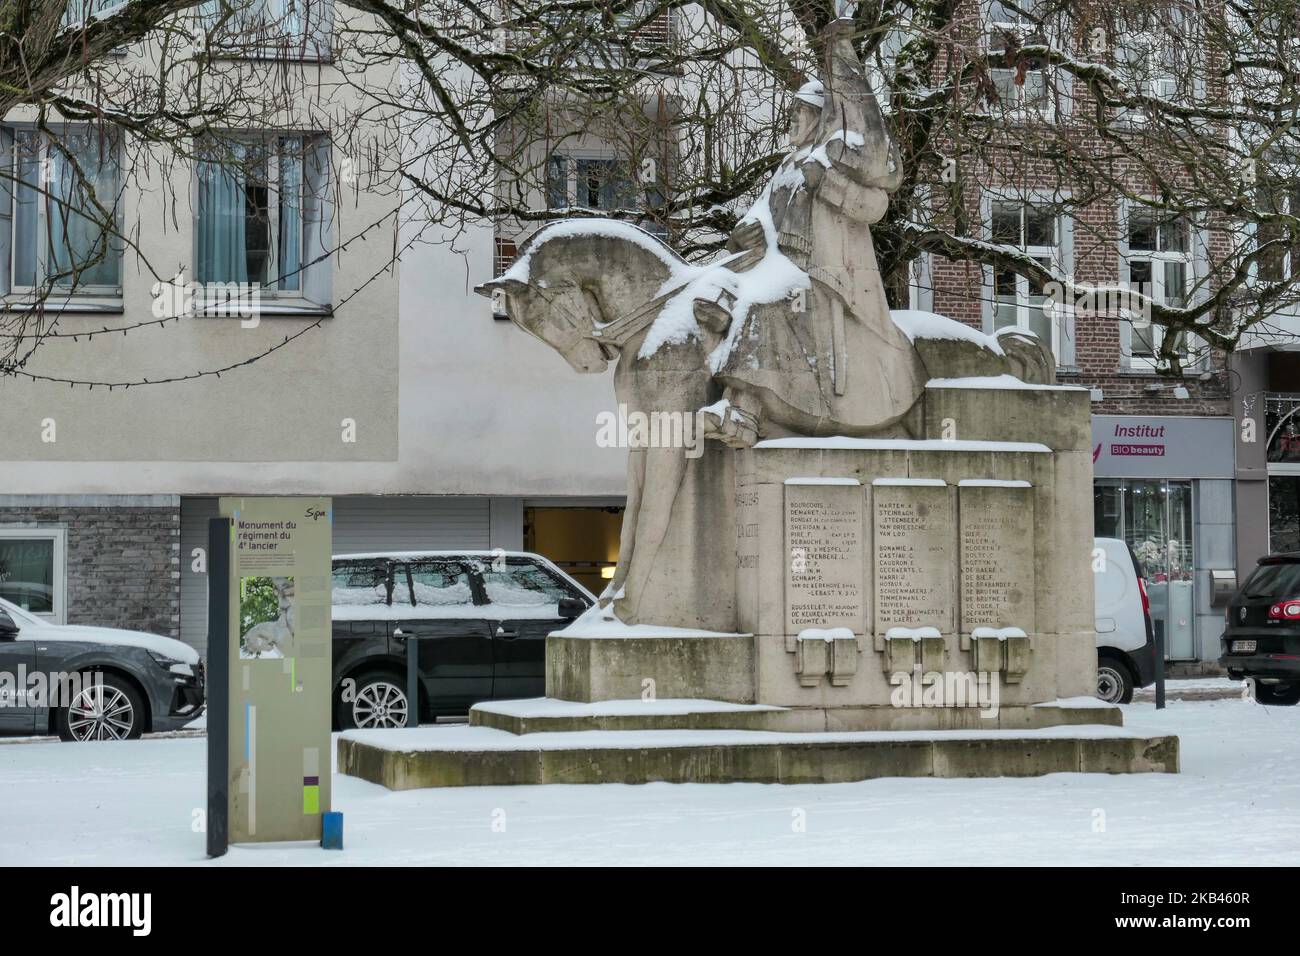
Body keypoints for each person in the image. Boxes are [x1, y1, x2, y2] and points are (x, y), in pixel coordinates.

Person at [705, 18, 925, 446]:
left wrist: (826, 183)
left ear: (819, 116)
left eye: (798, 112)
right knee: (719, 297)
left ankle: (743, 411)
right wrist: (741, 236)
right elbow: (760, 217)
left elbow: (876, 206)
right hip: (777, 267)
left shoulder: (831, 159)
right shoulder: (784, 168)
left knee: (760, 308)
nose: (790, 118)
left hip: (824, 276)